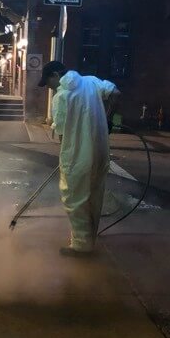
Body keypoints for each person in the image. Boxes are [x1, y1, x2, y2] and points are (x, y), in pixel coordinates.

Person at [38, 61, 121, 256]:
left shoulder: (61, 98)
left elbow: (61, 134)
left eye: (49, 82)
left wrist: (64, 156)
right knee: (94, 195)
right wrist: (108, 119)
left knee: (74, 199)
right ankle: (90, 237)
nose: (49, 87)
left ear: (57, 74)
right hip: (100, 152)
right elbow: (116, 93)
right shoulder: (91, 82)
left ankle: (82, 246)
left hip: (77, 156)